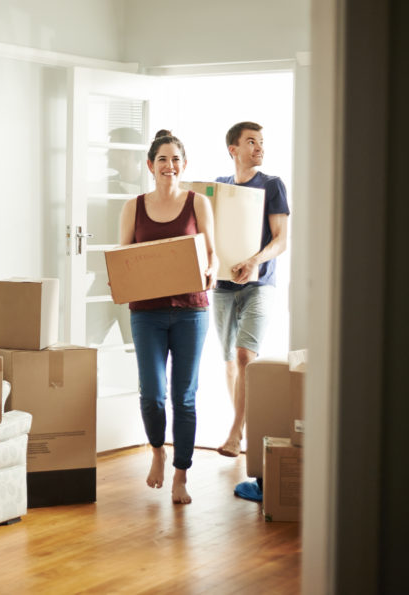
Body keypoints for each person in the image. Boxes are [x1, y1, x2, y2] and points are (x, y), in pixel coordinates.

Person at [117, 129, 218, 504]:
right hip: (147, 314)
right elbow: (123, 258)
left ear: (184, 164)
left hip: (191, 310)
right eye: (162, 159)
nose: (169, 166)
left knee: (185, 397)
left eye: (176, 159)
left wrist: (212, 270)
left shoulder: (198, 204)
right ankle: (158, 450)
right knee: (153, 395)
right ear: (150, 165)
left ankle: (181, 474)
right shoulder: (134, 207)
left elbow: (213, 253)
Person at [212, 122, 290, 458]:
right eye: (251, 142)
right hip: (223, 286)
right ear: (233, 149)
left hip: (259, 284)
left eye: (261, 142)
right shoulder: (219, 187)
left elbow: (281, 239)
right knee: (230, 360)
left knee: (246, 356)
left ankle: (235, 433)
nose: (259, 148)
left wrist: (254, 261)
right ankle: (240, 427)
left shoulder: (272, 185)